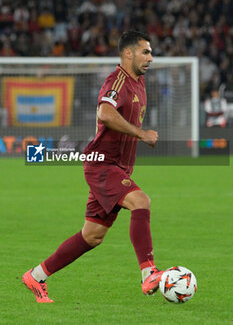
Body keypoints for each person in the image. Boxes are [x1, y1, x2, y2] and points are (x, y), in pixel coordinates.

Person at [22, 30, 164, 303]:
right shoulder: (118, 80)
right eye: (145, 52)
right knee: (141, 202)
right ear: (128, 53)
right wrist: (140, 133)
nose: (151, 57)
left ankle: (36, 276)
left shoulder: (139, 83)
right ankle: (148, 274)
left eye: (150, 52)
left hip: (118, 167)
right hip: (102, 164)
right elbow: (105, 112)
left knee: (93, 235)